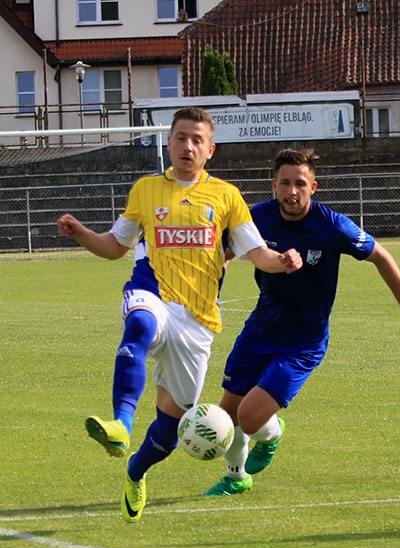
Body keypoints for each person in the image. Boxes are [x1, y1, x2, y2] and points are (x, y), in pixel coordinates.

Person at [57, 107, 303, 522]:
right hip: (151, 290)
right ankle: (120, 424)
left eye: (196, 140)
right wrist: (81, 233)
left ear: (210, 149)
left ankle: (135, 472)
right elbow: (117, 246)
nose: (187, 146)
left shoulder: (226, 197)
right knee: (138, 326)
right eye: (180, 137)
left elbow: (254, 251)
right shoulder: (146, 190)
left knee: (170, 432)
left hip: (197, 321)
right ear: (168, 143)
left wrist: (282, 261)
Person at [203, 148, 400, 496]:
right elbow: (225, 253)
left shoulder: (332, 226)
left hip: (303, 342)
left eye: (299, 183)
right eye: (284, 183)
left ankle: (272, 434)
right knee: (227, 414)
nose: (291, 191)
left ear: (314, 186)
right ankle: (237, 478)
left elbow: (381, 256)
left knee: (249, 417)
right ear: (274, 185)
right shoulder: (257, 219)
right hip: (260, 330)